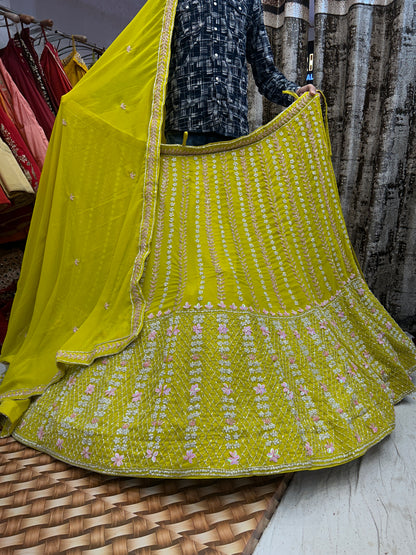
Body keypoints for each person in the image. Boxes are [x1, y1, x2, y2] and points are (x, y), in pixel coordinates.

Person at [0, 0, 414, 478]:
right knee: (177, 254)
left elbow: (262, 67)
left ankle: (230, 371)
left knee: (224, 254)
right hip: (180, 141)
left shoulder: (246, 6)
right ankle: (171, 375)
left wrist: (293, 95)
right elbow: (146, 58)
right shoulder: (174, 2)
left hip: (232, 144)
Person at [165, 0, 317, 146]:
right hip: (184, 128)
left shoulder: (249, 2)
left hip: (233, 134)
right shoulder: (168, 2)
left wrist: (295, 92)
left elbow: (265, 71)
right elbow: (152, 56)